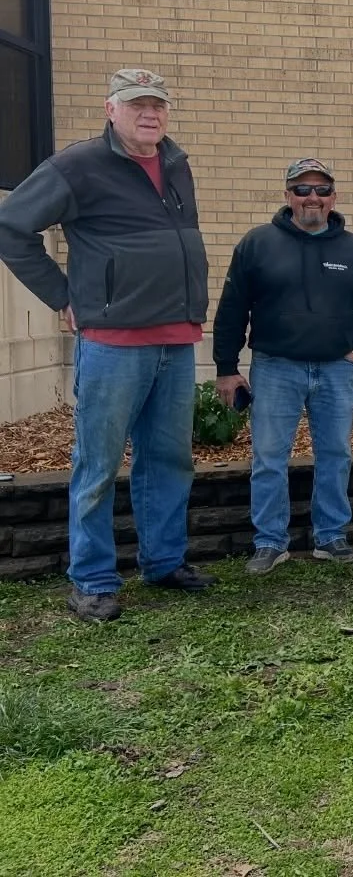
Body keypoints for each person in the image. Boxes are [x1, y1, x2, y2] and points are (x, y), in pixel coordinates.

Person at [0, 69, 212, 621]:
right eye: (137, 104)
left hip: (176, 338)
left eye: (158, 105)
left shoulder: (174, 162)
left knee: (170, 459)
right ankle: (92, 579)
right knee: (97, 464)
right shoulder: (77, 165)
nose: (150, 114)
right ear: (110, 109)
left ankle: (163, 561)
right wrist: (61, 294)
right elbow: (10, 227)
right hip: (114, 341)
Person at [214, 158, 353, 574]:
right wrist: (226, 365)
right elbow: (232, 310)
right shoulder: (257, 244)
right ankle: (271, 542)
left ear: (334, 196)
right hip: (276, 367)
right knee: (269, 457)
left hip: (335, 369)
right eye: (302, 189)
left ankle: (331, 536)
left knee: (335, 454)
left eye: (321, 189)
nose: (312, 197)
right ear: (288, 195)